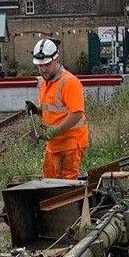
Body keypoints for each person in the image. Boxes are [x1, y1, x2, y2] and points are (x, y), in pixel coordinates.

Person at [26, 38, 89, 180]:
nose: (43, 69)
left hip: (70, 143)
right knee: (49, 180)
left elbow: (77, 113)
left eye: (47, 65)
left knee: (66, 186)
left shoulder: (69, 82)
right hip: (53, 144)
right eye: (40, 66)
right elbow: (51, 110)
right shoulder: (45, 82)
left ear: (56, 59)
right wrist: (36, 110)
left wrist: (54, 131)